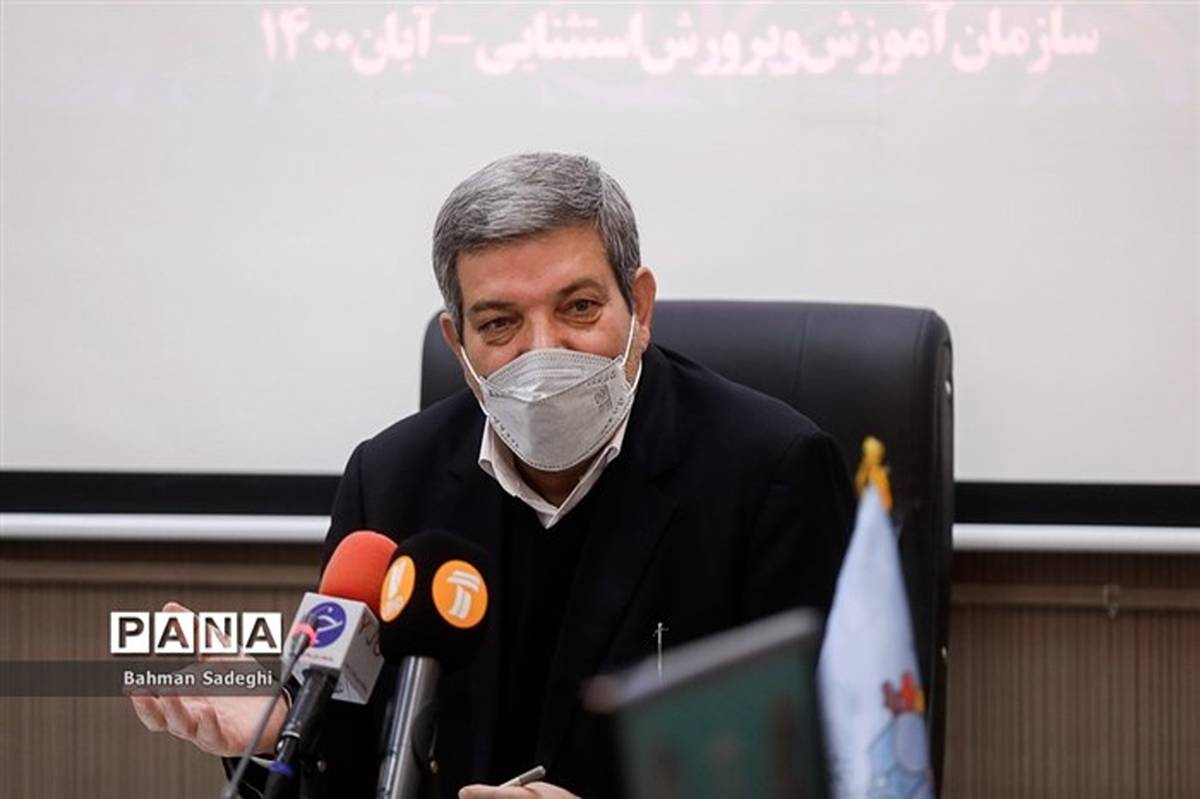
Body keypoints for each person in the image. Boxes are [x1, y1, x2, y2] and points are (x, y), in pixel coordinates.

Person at [129, 152, 854, 798]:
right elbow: (341, 766)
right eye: (500, 323)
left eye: (579, 308)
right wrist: (276, 729)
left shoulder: (771, 475)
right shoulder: (391, 479)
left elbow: (827, 771)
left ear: (640, 307)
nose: (543, 351)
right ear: (458, 342)